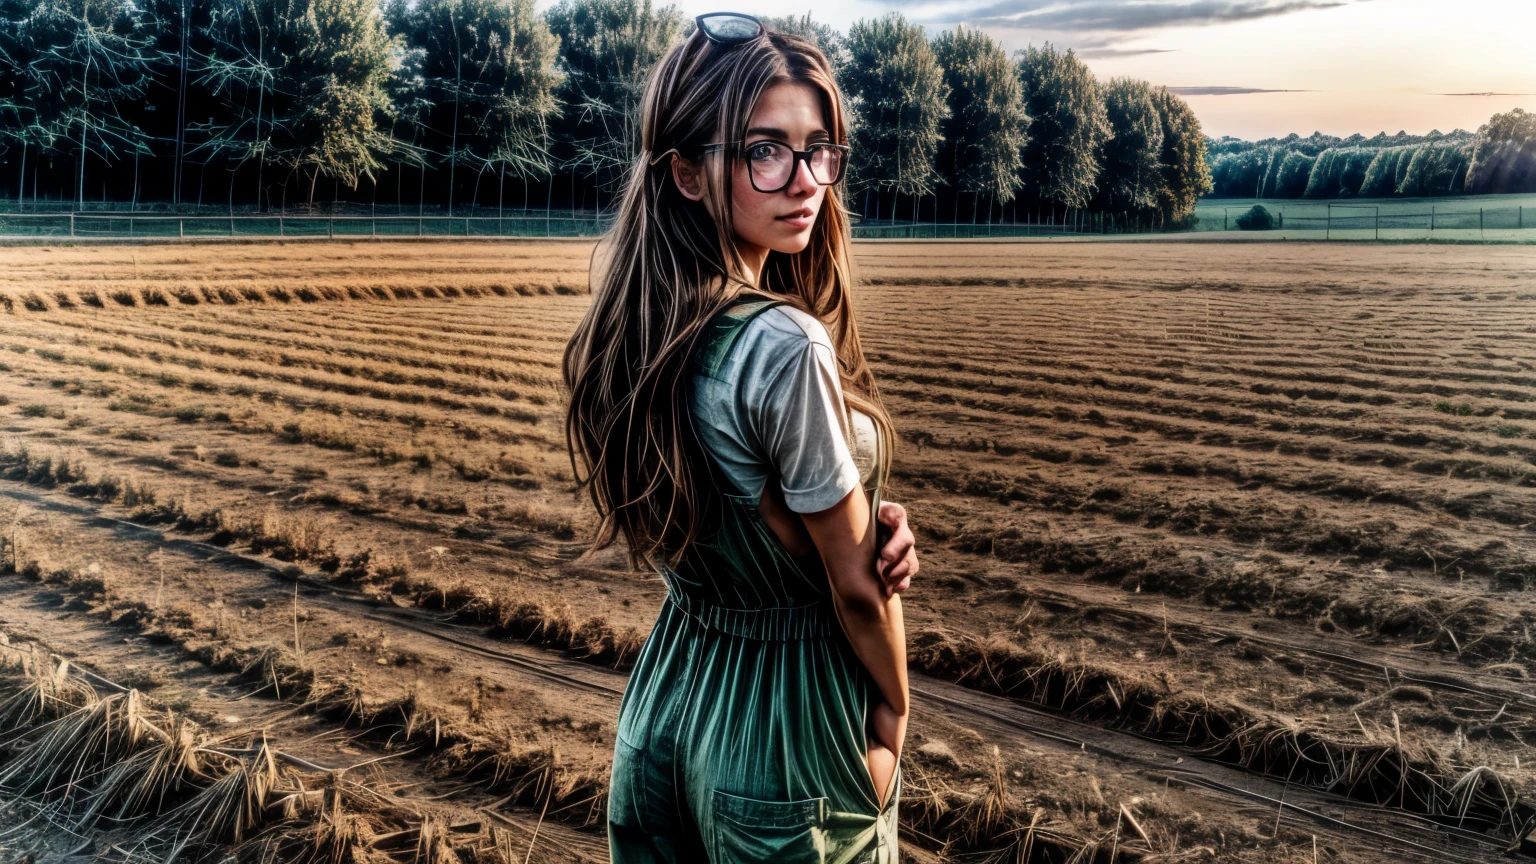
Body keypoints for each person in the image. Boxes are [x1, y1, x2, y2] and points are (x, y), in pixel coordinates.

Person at [562, 12, 919, 863]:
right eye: (766, 150)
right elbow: (858, 593)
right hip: (790, 736)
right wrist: (895, 717)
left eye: (819, 148)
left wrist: (864, 510)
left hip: (667, 712)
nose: (806, 181)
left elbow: (734, 520)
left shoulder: (644, 330)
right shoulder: (784, 343)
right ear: (685, 172)